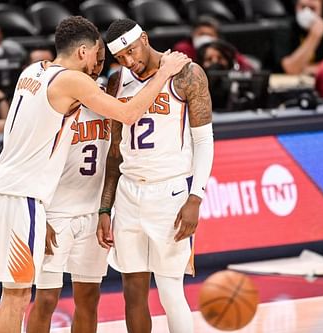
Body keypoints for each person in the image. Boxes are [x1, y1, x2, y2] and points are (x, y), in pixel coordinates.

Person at [0, 16, 190, 333]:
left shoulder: (32, 73)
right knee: (19, 297)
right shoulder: (73, 82)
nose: (98, 67)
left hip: (7, 188)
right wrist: (164, 72)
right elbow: (130, 113)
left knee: (18, 294)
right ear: (84, 51)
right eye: (98, 57)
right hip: (25, 196)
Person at [97, 18, 214, 333]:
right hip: (129, 193)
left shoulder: (187, 74)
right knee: (132, 291)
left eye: (131, 51)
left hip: (170, 194)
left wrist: (196, 196)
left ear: (144, 38)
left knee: (170, 290)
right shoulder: (116, 81)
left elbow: (204, 141)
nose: (129, 61)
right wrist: (105, 207)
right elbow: (114, 152)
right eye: (120, 58)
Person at [26, 38, 109, 333]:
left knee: (89, 298)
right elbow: (33, 157)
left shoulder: (105, 98)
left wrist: (105, 210)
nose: (97, 68)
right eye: (94, 61)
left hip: (91, 211)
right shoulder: (55, 95)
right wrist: (41, 211)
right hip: (56, 211)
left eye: (102, 62)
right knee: (46, 299)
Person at [173, 15, 252, 70]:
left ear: (217, 37)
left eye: (209, 34)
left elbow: (246, 66)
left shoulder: (223, 48)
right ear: (192, 34)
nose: (205, 37)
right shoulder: (183, 48)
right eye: (201, 34)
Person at [274, 0, 323, 74]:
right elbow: (291, 69)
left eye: (312, 8)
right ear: (296, 7)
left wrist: (305, 69)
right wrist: (314, 36)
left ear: (322, 10)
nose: (307, 12)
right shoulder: (284, 29)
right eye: (303, 7)